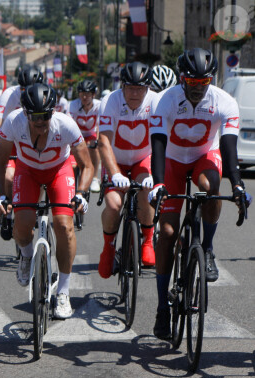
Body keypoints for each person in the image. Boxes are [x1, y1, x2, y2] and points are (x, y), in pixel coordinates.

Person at [148, 48, 252, 340]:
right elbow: (157, 143)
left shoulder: (224, 102)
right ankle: (161, 308)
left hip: (206, 156)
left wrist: (238, 184)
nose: (196, 90)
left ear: (211, 80)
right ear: (182, 79)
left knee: (209, 189)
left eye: (202, 84)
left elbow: (230, 149)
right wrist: (158, 184)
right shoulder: (164, 100)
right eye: (191, 83)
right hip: (171, 160)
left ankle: (206, 248)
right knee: (167, 233)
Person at [0, 83, 93, 319]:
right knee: (23, 222)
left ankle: (64, 293)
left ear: (53, 111)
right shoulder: (13, 122)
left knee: (64, 226)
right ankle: (27, 255)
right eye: (35, 116)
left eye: (45, 115)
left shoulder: (65, 124)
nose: (40, 121)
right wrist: (1, 197)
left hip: (59, 170)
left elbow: (87, 164)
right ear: (25, 112)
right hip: (27, 170)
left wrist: (82, 192)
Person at [97, 61, 159, 279]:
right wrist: (114, 174)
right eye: (130, 88)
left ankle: (148, 240)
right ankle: (109, 247)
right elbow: (103, 141)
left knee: (146, 193)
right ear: (122, 86)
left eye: (140, 88)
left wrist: (157, 175)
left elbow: (162, 139)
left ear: (148, 88)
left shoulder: (155, 101)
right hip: (116, 160)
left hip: (143, 158)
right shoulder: (110, 101)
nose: (134, 93)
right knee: (114, 205)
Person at [0, 66, 44, 239]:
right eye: (23, 89)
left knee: (40, 176)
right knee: (9, 177)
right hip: (14, 140)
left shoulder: (45, 94)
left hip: (35, 140)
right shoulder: (9, 95)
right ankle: (8, 213)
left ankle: (35, 206)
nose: (27, 93)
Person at [68, 80, 102, 193]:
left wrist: (96, 141)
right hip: (77, 135)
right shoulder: (73, 105)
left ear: (93, 94)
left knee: (95, 147)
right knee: (72, 162)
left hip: (91, 134)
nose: (84, 96)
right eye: (82, 93)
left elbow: (99, 126)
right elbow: (69, 124)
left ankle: (95, 179)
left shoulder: (99, 105)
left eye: (87, 94)